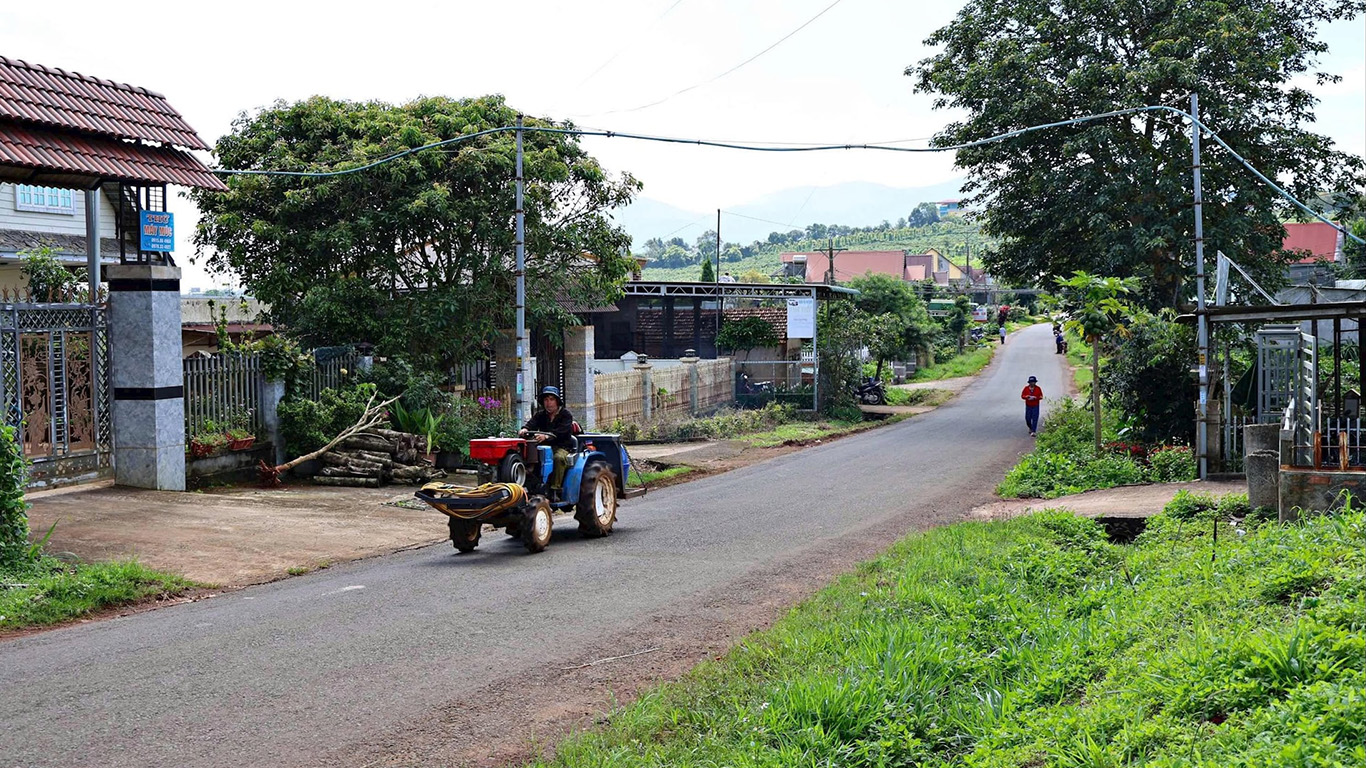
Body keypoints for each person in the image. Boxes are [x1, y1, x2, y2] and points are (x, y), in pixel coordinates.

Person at [519, 386, 575, 499]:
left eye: (551, 399)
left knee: (558, 458)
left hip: (562, 446)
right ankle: (530, 487)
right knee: (528, 457)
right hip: (544, 446)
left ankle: (555, 490)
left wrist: (546, 436)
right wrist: (524, 429)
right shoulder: (540, 415)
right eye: (545, 400)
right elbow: (531, 424)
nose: (548, 403)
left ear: (557, 401)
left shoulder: (566, 415)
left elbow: (562, 432)